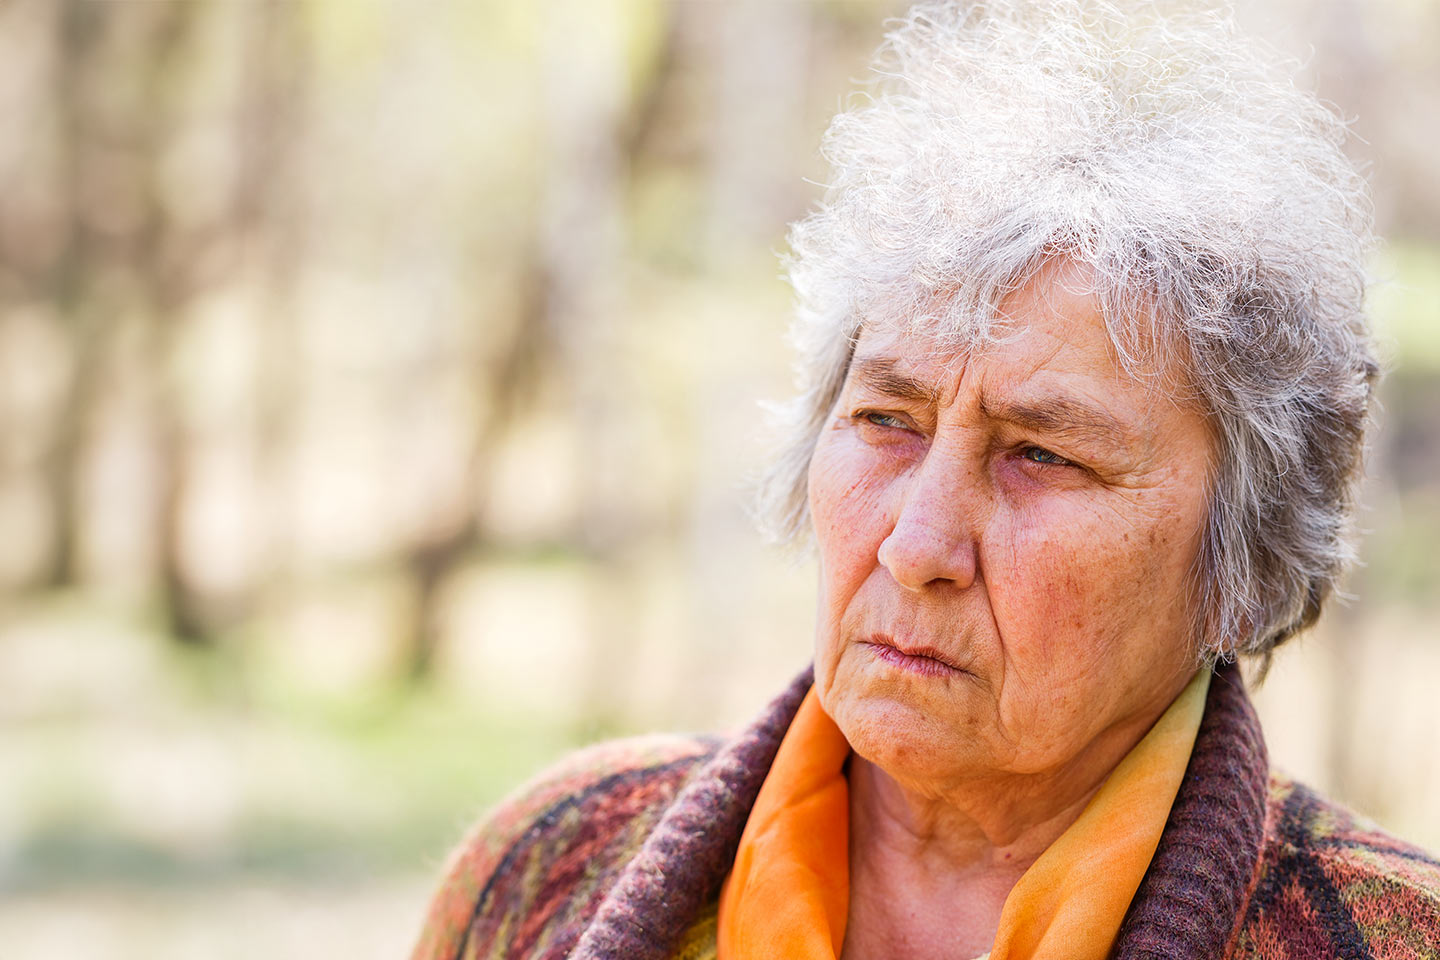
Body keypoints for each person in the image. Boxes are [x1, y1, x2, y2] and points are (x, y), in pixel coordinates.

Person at [411, 2, 1440, 958]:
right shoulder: (549, 867)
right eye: (885, 422)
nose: (915, 546)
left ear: (1243, 565)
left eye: (1043, 456)